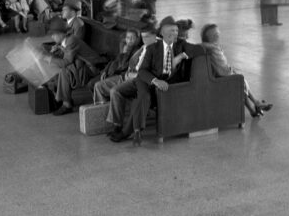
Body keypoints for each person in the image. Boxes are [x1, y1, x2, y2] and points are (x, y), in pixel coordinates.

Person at [109, 16, 195, 145]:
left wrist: (181, 56)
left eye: (178, 33)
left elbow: (199, 50)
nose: (176, 35)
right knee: (116, 91)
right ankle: (118, 126)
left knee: (142, 98)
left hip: (161, 86)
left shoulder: (181, 46)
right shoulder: (154, 47)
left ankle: (129, 131)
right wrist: (154, 80)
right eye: (173, 32)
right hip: (145, 79)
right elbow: (143, 70)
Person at [200, 23, 272, 118]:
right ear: (208, 38)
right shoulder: (211, 47)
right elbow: (201, 45)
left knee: (242, 83)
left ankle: (254, 108)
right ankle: (256, 104)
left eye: (217, 33)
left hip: (226, 72)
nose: (217, 35)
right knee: (241, 82)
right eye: (214, 35)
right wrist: (209, 45)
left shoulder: (215, 46)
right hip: (223, 76)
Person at [43, 18, 107, 116]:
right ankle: (60, 98)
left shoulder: (71, 41)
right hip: (83, 65)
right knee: (59, 69)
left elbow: (66, 62)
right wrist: (57, 51)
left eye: (54, 34)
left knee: (64, 71)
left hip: (94, 68)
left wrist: (50, 59)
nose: (52, 37)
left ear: (61, 34)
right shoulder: (66, 40)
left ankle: (66, 104)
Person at [89, 29, 142, 104]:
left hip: (118, 74)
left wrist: (124, 54)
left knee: (96, 84)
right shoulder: (124, 46)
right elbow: (114, 61)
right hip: (110, 71)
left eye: (132, 38)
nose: (129, 40)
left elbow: (124, 66)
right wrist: (105, 71)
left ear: (137, 39)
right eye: (127, 37)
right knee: (91, 84)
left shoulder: (136, 51)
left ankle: (108, 102)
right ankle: (104, 100)